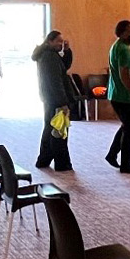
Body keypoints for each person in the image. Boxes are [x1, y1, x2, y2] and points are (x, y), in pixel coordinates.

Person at [105, 19, 130, 173]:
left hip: (118, 95)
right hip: (125, 97)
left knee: (127, 126)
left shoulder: (118, 46)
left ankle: (112, 154)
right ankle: (125, 165)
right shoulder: (123, 50)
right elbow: (125, 75)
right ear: (122, 33)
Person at [32, 29, 74, 171]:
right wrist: (63, 102)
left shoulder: (48, 55)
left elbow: (63, 67)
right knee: (59, 132)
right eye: (58, 41)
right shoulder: (49, 57)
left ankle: (44, 160)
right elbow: (56, 81)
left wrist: (67, 51)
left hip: (50, 98)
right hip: (55, 99)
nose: (60, 44)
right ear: (50, 41)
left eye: (62, 41)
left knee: (50, 128)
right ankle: (62, 164)